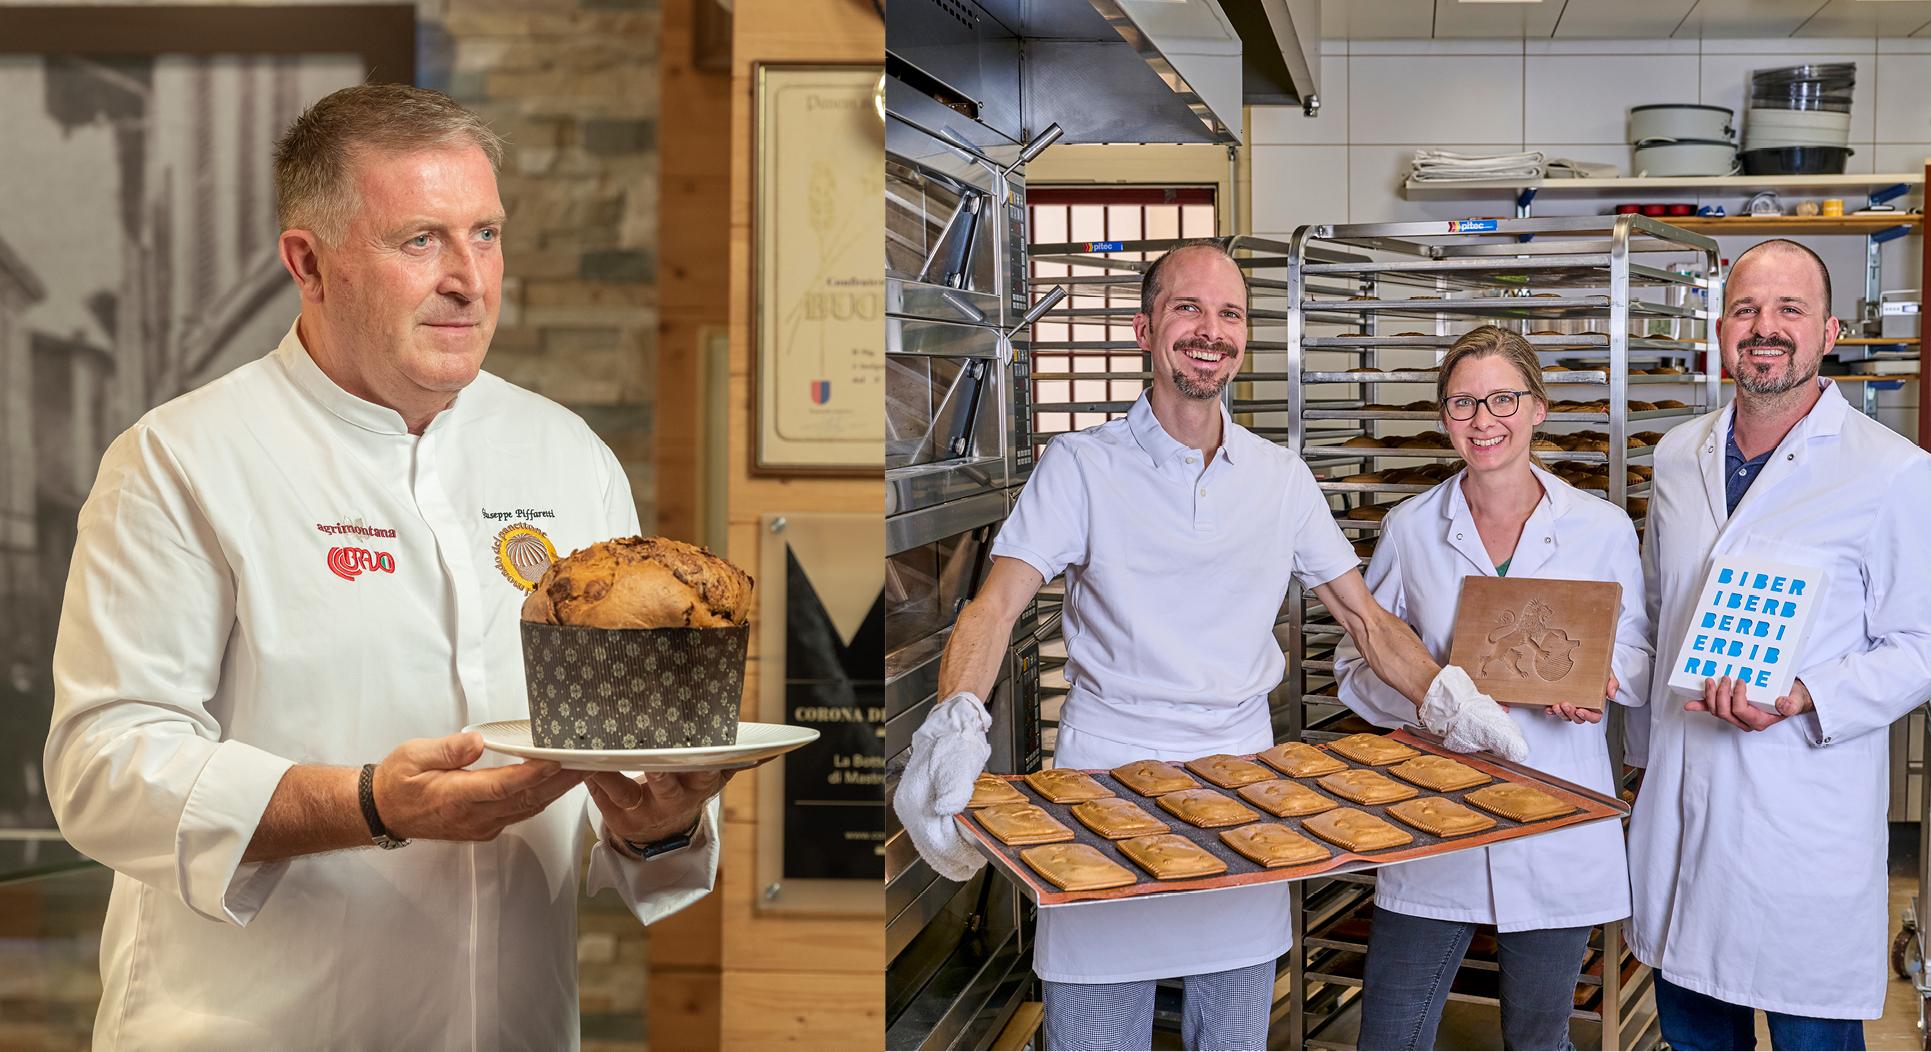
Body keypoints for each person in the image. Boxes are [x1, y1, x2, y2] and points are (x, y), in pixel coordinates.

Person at [43, 85, 726, 1050]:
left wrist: (659, 819)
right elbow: (101, 767)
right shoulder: (178, 461)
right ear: (308, 263)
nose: (469, 279)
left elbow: (625, 778)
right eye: (421, 241)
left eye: (485, 235)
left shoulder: (567, 457)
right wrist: (367, 804)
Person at [893, 240, 1531, 1051]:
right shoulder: (1079, 466)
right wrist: (952, 721)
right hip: (1104, 784)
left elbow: (1367, 621)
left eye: (1229, 313)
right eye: (1187, 308)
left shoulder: (1279, 477)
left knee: (1231, 1038)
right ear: (1143, 329)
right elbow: (994, 607)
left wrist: (1448, 699)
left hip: (1241, 791)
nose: (1210, 330)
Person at [1626, 239, 1931, 1051]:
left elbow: (1919, 646)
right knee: (1692, 1036)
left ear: (1828, 329)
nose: (1765, 328)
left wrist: (1803, 693)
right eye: (1745, 310)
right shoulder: (1673, 456)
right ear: (1720, 330)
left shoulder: (1891, 473)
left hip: (1798, 823)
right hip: (1683, 808)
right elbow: (1658, 617)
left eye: (1788, 309)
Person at [1334, 325, 1652, 1050]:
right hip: (1434, 813)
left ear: (1538, 407)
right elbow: (1357, 666)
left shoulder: (1599, 529)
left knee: (1538, 1040)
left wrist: (1600, 681)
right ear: (1443, 416)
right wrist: (1437, 697)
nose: (1483, 421)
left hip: (1555, 809)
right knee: (1389, 1036)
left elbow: (1636, 653)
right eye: (1462, 404)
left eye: (1502, 399)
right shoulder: (1412, 528)